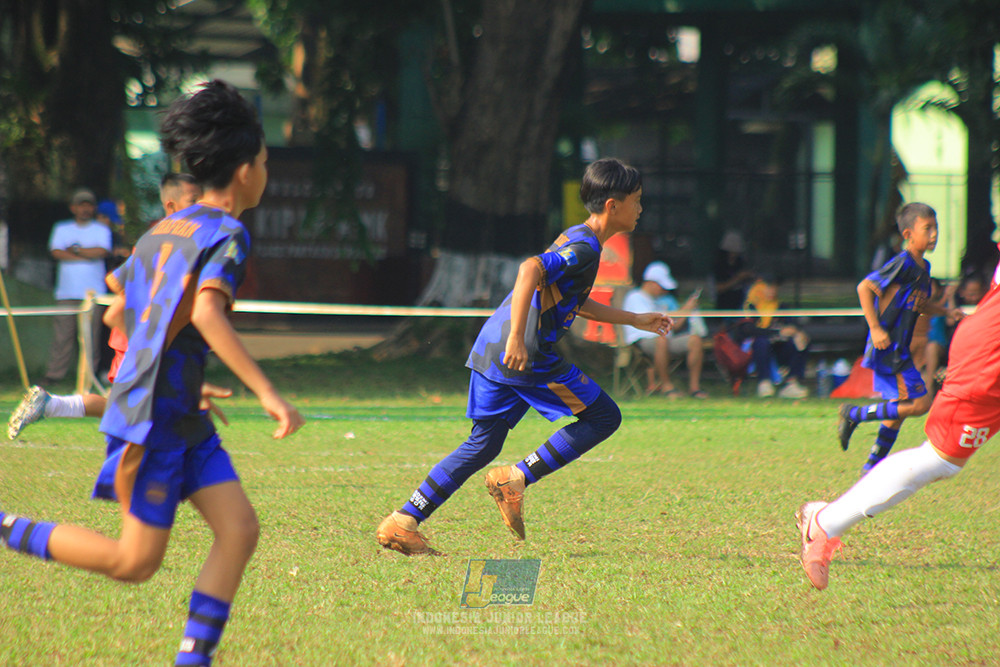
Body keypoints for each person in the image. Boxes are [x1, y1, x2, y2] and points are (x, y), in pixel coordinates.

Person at [0, 80, 304, 667]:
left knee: (238, 529)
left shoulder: (164, 228)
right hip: (153, 420)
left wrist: (184, 375)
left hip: (174, 408)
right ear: (243, 171)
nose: (266, 170)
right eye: (264, 160)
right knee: (134, 562)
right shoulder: (227, 233)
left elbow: (121, 310)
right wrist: (268, 393)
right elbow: (208, 312)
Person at [375, 158, 671, 555]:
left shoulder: (579, 238)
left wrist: (634, 318)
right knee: (604, 416)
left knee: (483, 443)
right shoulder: (583, 248)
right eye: (637, 200)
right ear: (612, 206)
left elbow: (573, 302)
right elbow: (529, 268)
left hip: (492, 346)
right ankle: (515, 478)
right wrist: (518, 337)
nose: (641, 209)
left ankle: (403, 521)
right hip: (522, 353)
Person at [797, 250, 1000, 590]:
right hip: (989, 356)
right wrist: (877, 327)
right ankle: (825, 522)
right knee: (940, 459)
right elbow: (871, 288)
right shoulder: (904, 264)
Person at [7, 176, 205, 440]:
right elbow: (119, 290)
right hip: (141, 336)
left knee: (132, 407)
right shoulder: (167, 239)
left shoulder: (164, 238)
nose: (201, 206)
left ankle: (52, 404)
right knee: (144, 410)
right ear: (171, 205)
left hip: (143, 335)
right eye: (194, 201)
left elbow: (114, 280)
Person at [837, 203, 965, 475]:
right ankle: (853, 414)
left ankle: (870, 469)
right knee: (920, 404)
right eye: (927, 228)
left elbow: (920, 304)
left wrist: (945, 310)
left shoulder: (923, 267)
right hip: (888, 347)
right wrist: (875, 328)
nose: (934, 234)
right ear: (908, 234)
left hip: (898, 347)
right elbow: (865, 287)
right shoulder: (902, 263)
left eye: (936, 228)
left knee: (899, 411)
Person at [42, 188, 112, 385]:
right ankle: (54, 375)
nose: (85, 209)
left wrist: (74, 250)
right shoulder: (61, 228)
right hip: (66, 292)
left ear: (93, 208)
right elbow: (56, 252)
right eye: (81, 205)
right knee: (62, 337)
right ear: (73, 208)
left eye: (88, 205)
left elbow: (101, 251)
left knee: (91, 338)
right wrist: (84, 254)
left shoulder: (102, 229)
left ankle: (89, 377)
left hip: (93, 293)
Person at [622, 260, 707, 398]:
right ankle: (666, 386)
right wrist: (683, 309)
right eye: (662, 287)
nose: (664, 291)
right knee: (661, 341)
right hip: (642, 340)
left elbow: (674, 326)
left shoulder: (658, 300)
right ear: (652, 283)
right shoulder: (635, 297)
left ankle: (694, 388)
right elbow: (649, 325)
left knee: (694, 340)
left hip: (665, 338)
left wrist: (687, 309)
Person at [736, 275, 810, 399]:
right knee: (761, 342)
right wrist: (778, 333)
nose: (772, 291)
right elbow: (747, 330)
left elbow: (792, 324)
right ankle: (764, 382)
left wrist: (797, 332)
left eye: (775, 288)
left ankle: (791, 383)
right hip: (753, 351)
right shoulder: (749, 307)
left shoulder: (781, 307)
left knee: (799, 342)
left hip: (778, 348)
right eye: (768, 287)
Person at [923, 273, 986, 397]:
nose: (973, 297)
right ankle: (926, 390)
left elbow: (950, 319)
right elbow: (950, 319)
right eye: (970, 293)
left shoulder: (987, 305)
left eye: (976, 293)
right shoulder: (923, 305)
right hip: (936, 345)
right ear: (962, 292)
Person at [712, 230, 755, 311]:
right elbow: (719, 288)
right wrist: (738, 278)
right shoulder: (720, 266)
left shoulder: (740, 263)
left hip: (740, 302)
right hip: (725, 304)